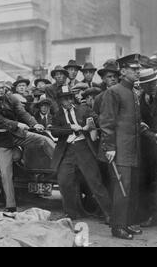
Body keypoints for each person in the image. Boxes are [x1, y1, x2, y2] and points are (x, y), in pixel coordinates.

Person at [0, 81, 55, 212]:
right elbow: (0, 120)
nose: (1, 90)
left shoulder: (12, 98)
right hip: (2, 140)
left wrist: (34, 123)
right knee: (5, 174)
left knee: (44, 140)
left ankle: (59, 163)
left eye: (3, 88)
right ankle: (11, 206)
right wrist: (18, 124)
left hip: (18, 135)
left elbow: (22, 112)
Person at [50, 86, 111, 221]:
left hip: (84, 148)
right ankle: (71, 214)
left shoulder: (84, 109)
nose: (68, 100)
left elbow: (97, 120)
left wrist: (87, 127)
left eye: (70, 97)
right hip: (67, 150)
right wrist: (70, 128)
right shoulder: (57, 115)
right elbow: (54, 131)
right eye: (65, 98)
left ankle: (110, 214)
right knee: (64, 181)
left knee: (95, 182)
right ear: (60, 100)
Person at [100, 54, 144, 240]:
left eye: (138, 69)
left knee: (131, 188)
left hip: (132, 149)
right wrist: (109, 147)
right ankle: (117, 227)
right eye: (134, 69)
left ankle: (126, 223)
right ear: (123, 71)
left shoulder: (132, 92)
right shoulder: (114, 92)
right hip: (119, 150)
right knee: (121, 189)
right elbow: (107, 122)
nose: (138, 72)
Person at [137, 69, 157, 227]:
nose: (151, 86)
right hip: (147, 147)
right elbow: (138, 122)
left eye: (153, 83)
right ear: (143, 85)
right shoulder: (140, 98)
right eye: (148, 84)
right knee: (147, 180)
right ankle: (148, 214)